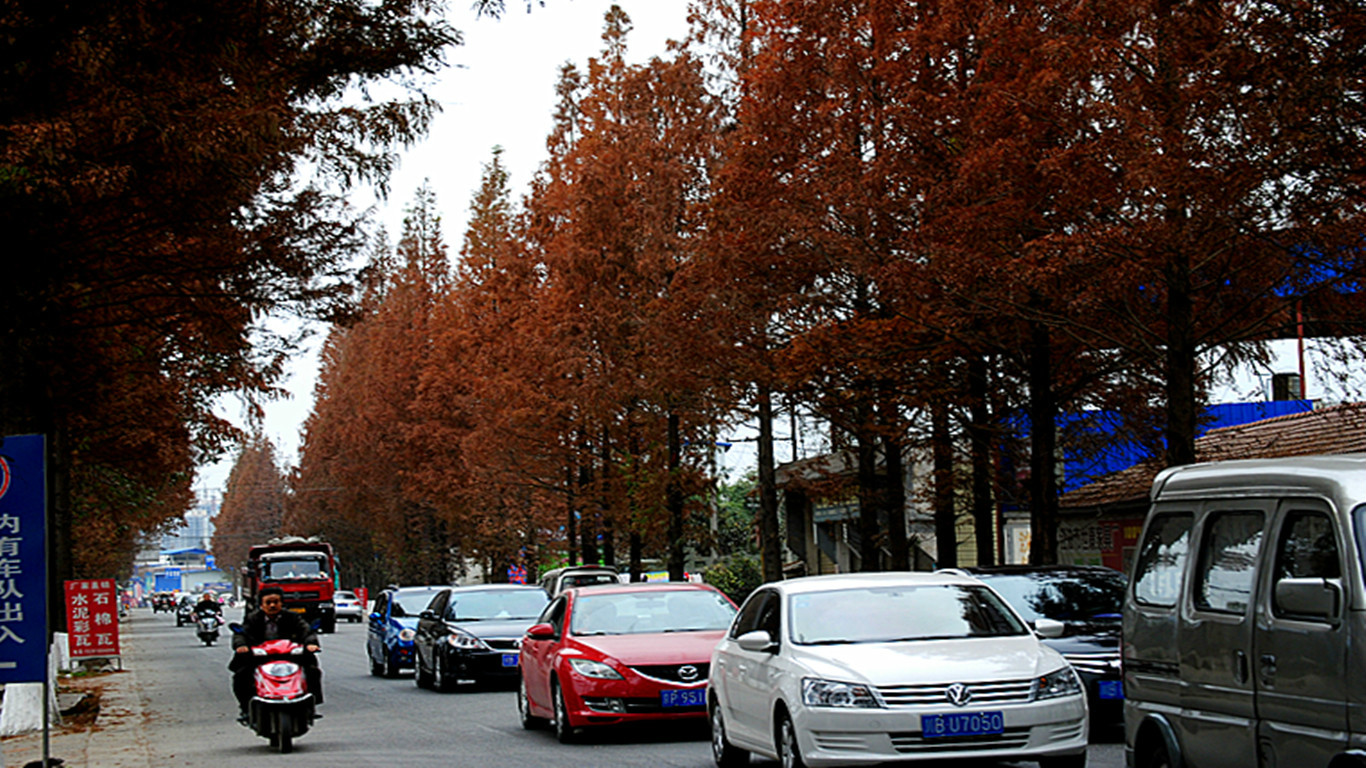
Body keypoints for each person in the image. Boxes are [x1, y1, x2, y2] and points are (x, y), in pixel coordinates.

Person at [229, 586, 322, 724]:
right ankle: (246, 708)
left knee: (313, 672)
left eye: (276, 602)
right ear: (261, 605)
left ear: (281, 603)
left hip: (290, 656)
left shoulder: (293, 618)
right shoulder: (252, 619)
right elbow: (241, 634)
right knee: (241, 676)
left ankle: (311, 706)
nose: (272, 605)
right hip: (260, 657)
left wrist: (310, 644)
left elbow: (306, 632)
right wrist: (241, 646)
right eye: (268, 602)